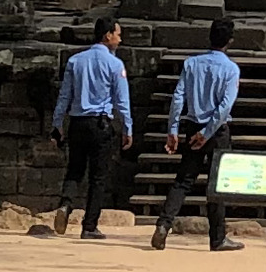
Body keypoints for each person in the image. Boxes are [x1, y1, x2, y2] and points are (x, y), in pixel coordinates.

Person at [151, 13, 245, 251]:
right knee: (217, 184)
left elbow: (178, 97)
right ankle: (217, 237)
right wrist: (208, 131)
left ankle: (164, 224)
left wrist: (172, 128)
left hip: (192, 125)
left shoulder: (191, 64)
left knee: (183, 180)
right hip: (217, 131)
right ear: (230, 41)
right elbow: (225, 107)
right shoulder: (231, 69)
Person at [35, 16, 134, 240]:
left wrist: (57, 124)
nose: (120, 39)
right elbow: (122, 100)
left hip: (77, 123)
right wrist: (127, 127)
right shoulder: (115, 64)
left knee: (75, 169)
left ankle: (66, 203)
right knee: (98, 177)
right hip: (100, 124)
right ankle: (89, 225)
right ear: (107, 35)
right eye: (118, 34)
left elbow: (64, 96)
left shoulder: (75, 61)